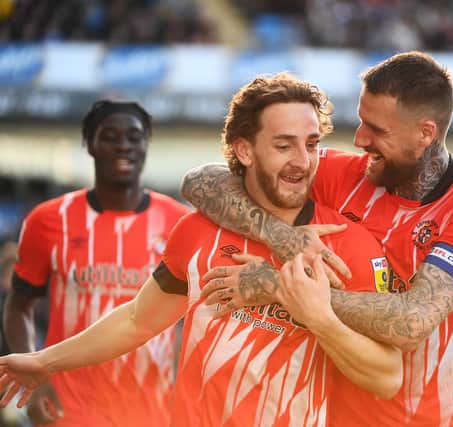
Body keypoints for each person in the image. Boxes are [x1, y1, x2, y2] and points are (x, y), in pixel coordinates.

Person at [0, 73, 402, 426]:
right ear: (245, 150)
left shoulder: (347, 244)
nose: (303, 161)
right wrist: (43, 362)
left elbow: (386, 377)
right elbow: (139, 320)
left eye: (312, 144)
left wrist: (320, 317)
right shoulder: (197, 229)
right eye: (284, 146)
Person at [179, 51, 453, 426]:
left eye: (377, 130)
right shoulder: (343, 175)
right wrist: (279, 235)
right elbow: (201, 180)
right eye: (361, 122)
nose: (359, 139)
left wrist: (282, 289)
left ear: (425, 133)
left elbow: (412, 322)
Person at [1, 100, 190, 427]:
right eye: (110, 136)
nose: (123, 146)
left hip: (154, 412)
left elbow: (190, 318)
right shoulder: (48, 220)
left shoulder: (179, 223)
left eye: (134, 137)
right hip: (68, 409)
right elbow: (19, 307)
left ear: (146, 144)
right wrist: (36, 383)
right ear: (89, 143)